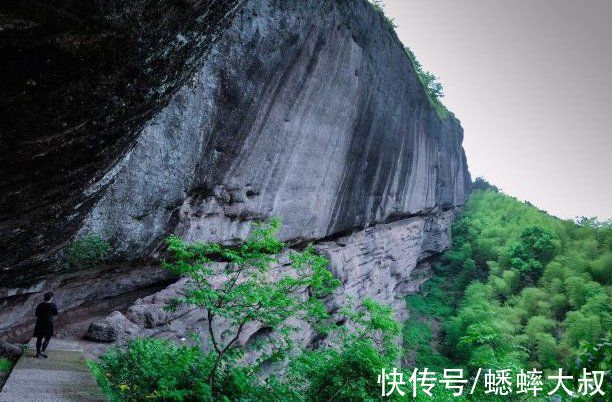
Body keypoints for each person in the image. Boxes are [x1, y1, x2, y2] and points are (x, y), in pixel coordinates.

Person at [33, 292, 58, 358]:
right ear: (51, 298)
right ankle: (42, 351)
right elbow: (55, 314)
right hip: (48, 323)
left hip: (40, 323)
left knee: (39, 338)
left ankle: (38, 353)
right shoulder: (53, 305)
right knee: (47, 338)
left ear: (44, 298)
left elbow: (36, 314)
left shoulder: (40, 305)